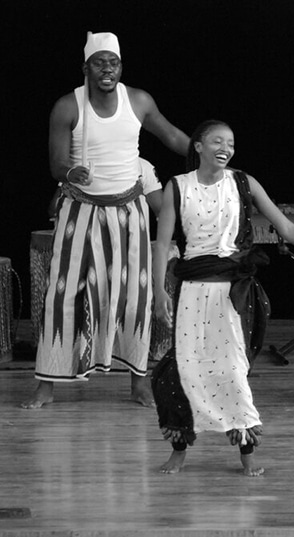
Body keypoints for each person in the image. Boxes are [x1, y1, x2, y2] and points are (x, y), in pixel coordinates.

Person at [151, 120, 294, 476]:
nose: (226, 147)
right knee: (182, 370)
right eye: (217, 141)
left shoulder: (243, 182)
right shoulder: (178, 187)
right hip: (193, 293)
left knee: (232, 372)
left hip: (233, 295)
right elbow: (163, 243)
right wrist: (157, 292)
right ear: (198, 146)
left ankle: (247, 455)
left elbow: (285, 227)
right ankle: (179, 450)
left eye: (230, 142)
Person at [22, 32, 190, 409]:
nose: (107, 69)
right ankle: (46, 384)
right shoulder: (68, 106)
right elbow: (56, 164)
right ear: (86, 68)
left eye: (113, 63)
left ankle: (139, 383)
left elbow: (173, 136)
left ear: (120, 67)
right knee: (62, 297)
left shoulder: (139, 101)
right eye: (99, 62)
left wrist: (203, 149)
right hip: (79, 212)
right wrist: (70, 172)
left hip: (130, 213)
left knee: (135, 298)